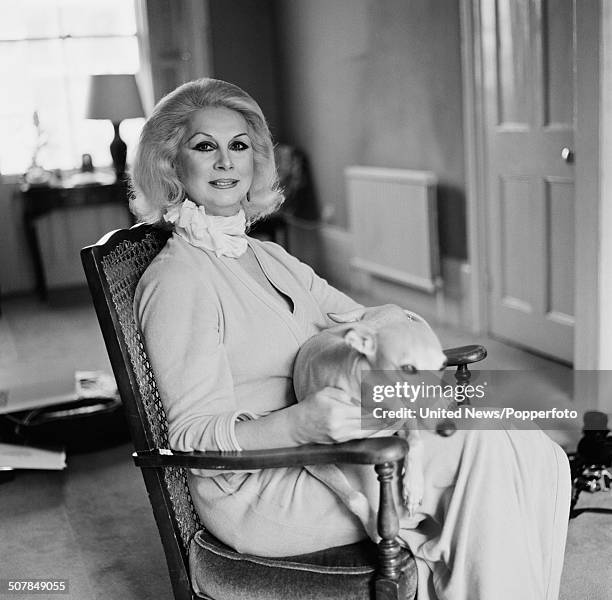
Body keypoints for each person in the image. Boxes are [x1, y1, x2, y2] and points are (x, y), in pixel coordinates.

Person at [131, 77, 571, 600]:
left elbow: (365, 318)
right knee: (485, 453)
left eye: (239, 145)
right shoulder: (179, 279)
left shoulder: (267, 255)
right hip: (264, 484)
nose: (226, 161)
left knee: (532, 445)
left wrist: (404, 343)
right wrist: (298, 424)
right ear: (170, 164)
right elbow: (190, 435)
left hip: (335, 442)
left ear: (256, 161)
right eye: (205, 146)